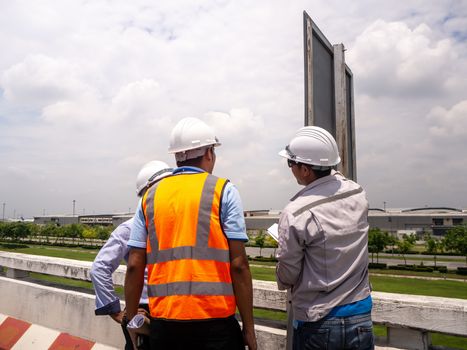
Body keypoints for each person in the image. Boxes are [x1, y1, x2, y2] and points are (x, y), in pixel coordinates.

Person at [125, 117, 257, 350]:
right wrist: (248, 328)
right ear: (208, 153)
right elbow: (239, 265)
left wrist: (132, 322)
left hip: (165, 326)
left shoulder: (150, 196)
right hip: (215, 326)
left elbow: (135, 264)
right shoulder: (223, 190)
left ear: (176, 156)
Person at [276, 126, 374, 350]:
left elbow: (288, 275)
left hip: (318, 322)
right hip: (360, 314)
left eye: (291, 163)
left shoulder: (296, 212)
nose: (290, 168)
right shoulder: (357, 193)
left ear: (305, 170)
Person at [90, 160, 173, 350]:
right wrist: (116, 312)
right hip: (146, 312)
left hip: (167, 309)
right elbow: (99, 269)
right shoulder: (130, 228)